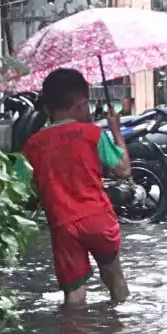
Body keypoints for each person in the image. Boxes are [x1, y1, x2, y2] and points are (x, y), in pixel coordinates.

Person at [21, 68, 132, 306]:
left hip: (63, 225)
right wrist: (115, 130)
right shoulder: (93, 134)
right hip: (98, 219)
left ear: (48, 107)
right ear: (81, 105)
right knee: (115, 279)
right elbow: (123, 169)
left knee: (75, 293)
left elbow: (21, 191)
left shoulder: (32, 146)